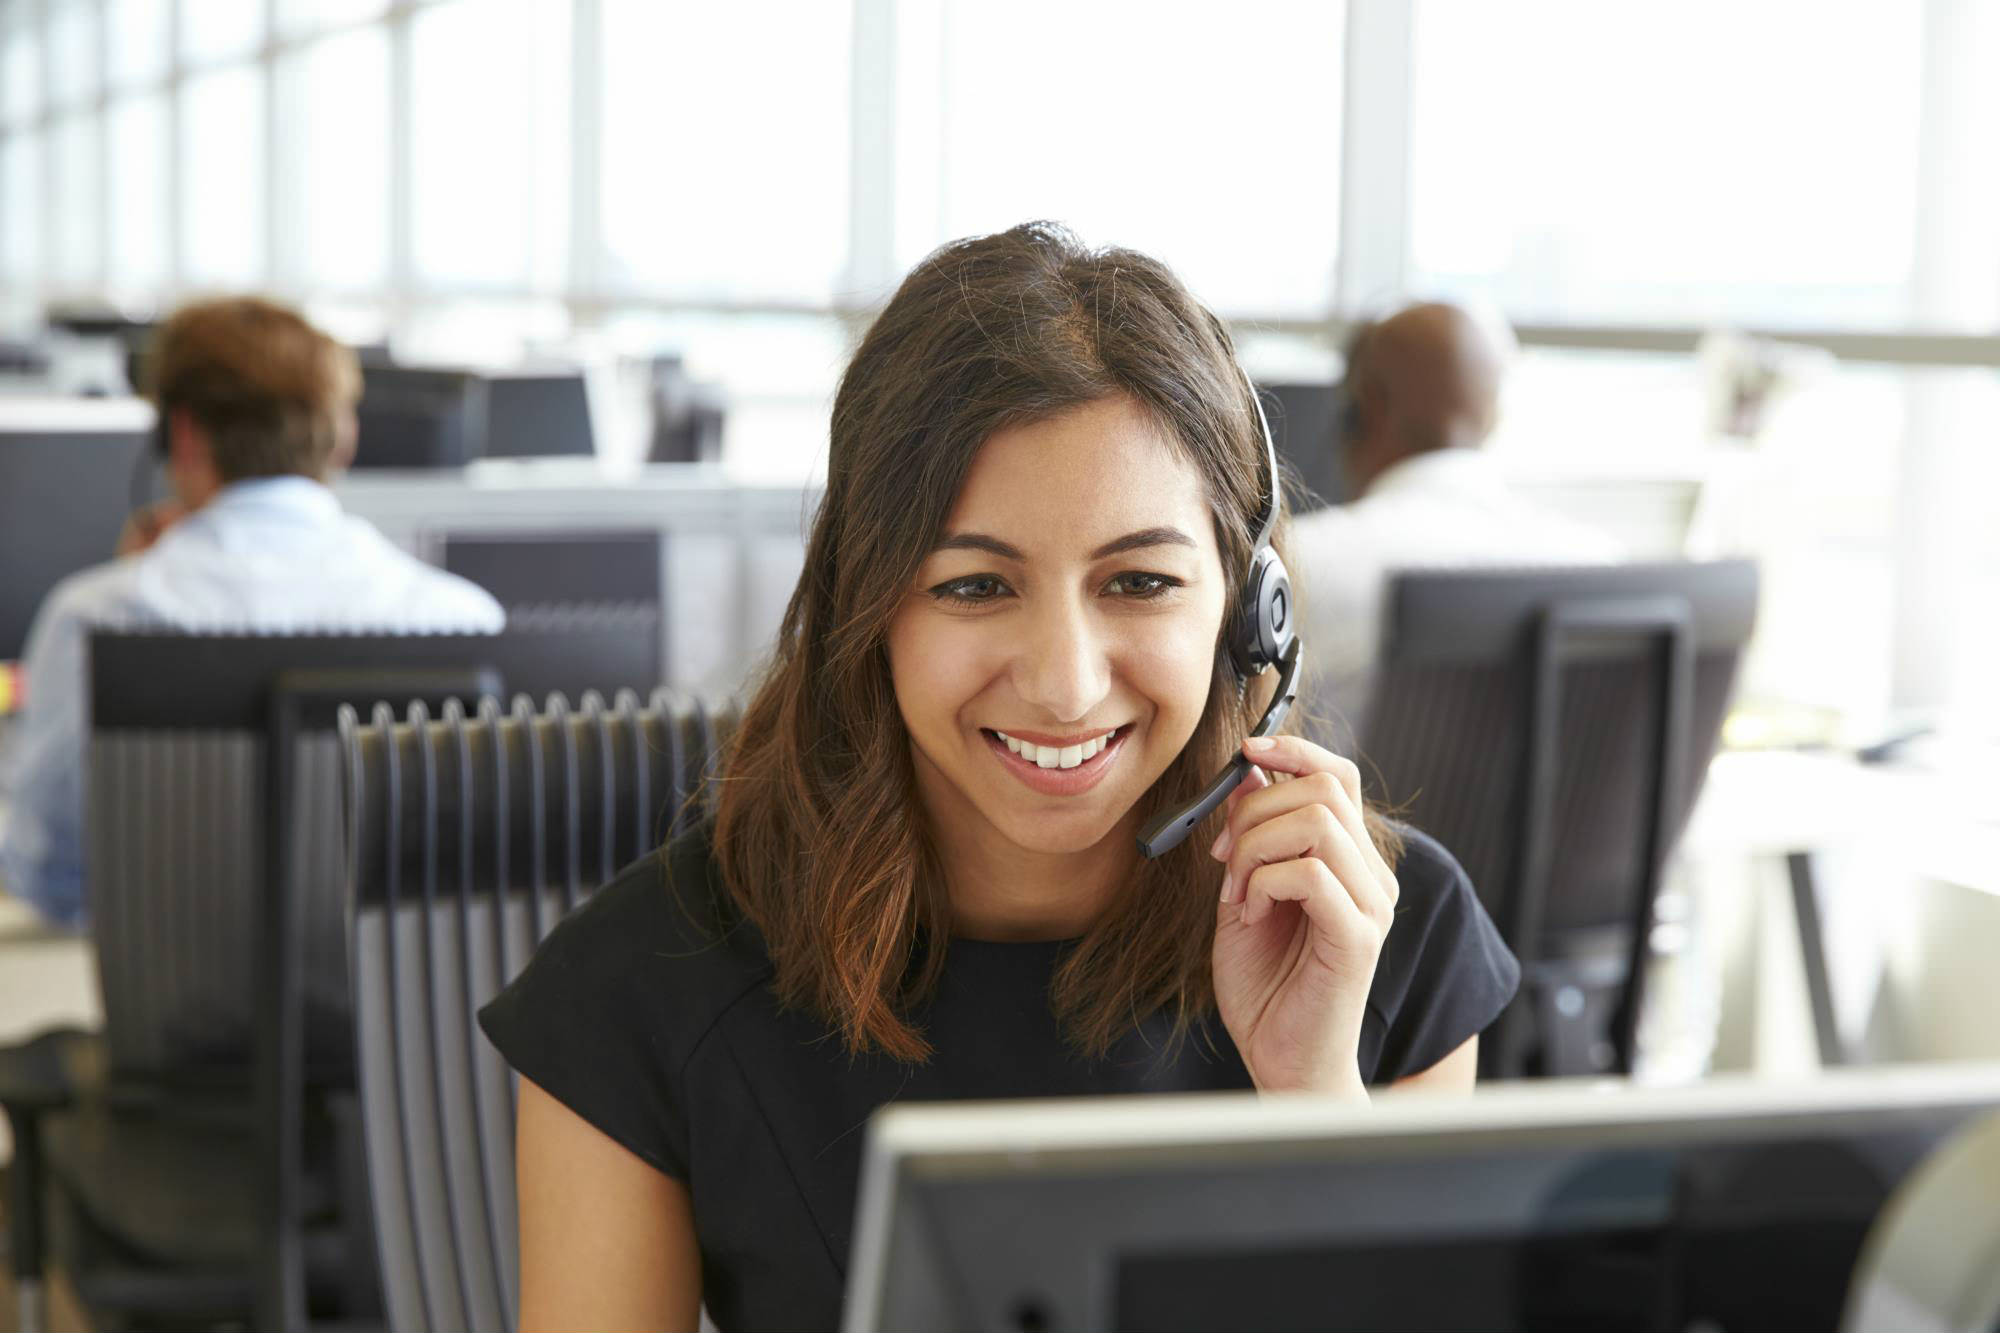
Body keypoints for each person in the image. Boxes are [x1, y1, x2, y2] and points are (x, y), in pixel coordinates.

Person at [480, 225, 1519, 1331]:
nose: (1065, 686)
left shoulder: (1378, 938)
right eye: (974, 587)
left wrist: (1315, 1096)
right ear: (864, 608)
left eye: (1138, 580)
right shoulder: (641, 989)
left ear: (1246, 604)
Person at [0, 297, 502, 928]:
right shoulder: (457, 617)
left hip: (166, 1010)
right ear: (342, 435)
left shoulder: (104, 615)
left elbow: (46, 873)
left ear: (181, 434)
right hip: (391, 1016)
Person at [1293, 301, 1624, 738]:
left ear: (1365, 409)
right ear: (1491, 413)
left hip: (1359, 808)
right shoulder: (1599, 568)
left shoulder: (1299, 562)